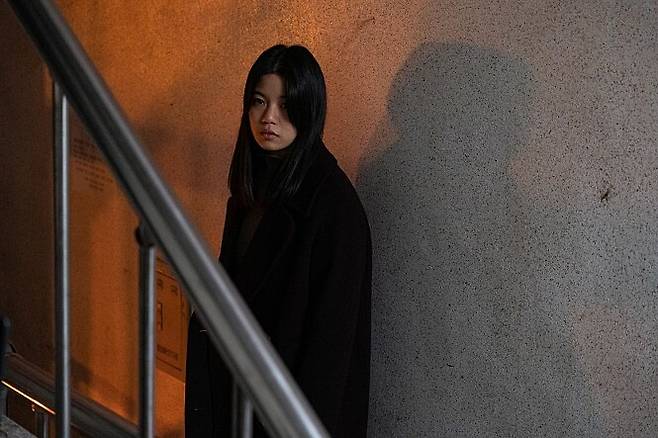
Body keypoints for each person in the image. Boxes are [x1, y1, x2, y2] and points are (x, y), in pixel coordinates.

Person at [185, 44, 371, 438]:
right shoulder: (251, 190)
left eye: (286, 105)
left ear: (309, 110)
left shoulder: (333, 208)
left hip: (288, 416)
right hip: (241, 402)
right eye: (259, 101)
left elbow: (330, 352)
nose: (269, 117)